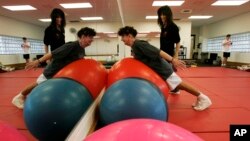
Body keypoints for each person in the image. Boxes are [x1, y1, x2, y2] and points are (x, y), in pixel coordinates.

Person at [117, 26, 212, 111]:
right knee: (178, 85)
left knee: (179, 84)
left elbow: (158, 52)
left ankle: (203, 98)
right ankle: (201, 97)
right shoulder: (135, 47)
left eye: (123, 37)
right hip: (159, 70)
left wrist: (173, 60)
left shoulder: (139, 44)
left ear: (129, 36)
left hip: (162, 69)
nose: (122, 39)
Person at [12, 27, 96, 109]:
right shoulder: (72, 45)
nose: (92, 40)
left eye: (92, 38)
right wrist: (38, 61)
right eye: (90, 37)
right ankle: (19, 96)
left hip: (62, 74)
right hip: (53, 70)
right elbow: (53, 53)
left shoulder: (81, 49)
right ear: (83, 36)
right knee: (38, 84)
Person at [157, 5, 181, 94]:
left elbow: (178, 42)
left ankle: (176, 89)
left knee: (168, 72)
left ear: (168, 15)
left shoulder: (173, 27)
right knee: (166, 71)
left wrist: (176, 56)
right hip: (162, 52)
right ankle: (174, 88)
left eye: (164, 14)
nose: (162, 16)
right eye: (160, 14)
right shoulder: (163, 26)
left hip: (169, 53)